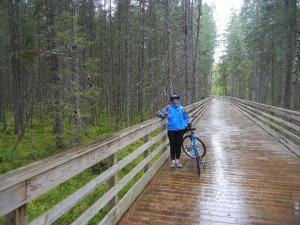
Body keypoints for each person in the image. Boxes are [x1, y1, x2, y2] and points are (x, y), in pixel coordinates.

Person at [158, 93, 189, 168]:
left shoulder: (182, 108)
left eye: (177, 99)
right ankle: (173, 161)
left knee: (178, 145)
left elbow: (186, 118)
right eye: (174, 100)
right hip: (171, 130)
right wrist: (164, 114)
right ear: (172, 100)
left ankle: (177, 160)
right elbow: (159, 113)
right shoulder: (168, 108)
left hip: (180, 130)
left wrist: (184, 125)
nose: (175, 101)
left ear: (179, 100)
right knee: (172, 145)